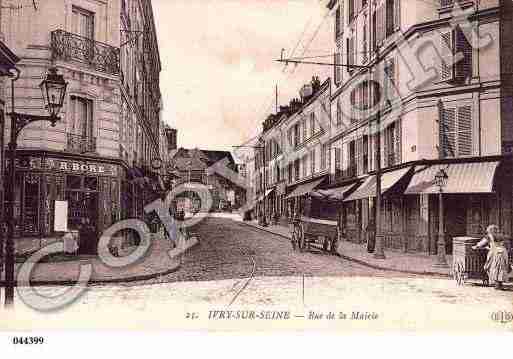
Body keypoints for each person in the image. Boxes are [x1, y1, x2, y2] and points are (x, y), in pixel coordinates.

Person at [472, 224, 511, 290]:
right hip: (503, 252)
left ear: (490, 231)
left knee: (492, 267)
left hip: (495, 253)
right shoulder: (501, 236)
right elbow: (506, 244)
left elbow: (481, 243)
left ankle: (497, 284)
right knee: (501, 268)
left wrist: (476, 246)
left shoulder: (489, 236)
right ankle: (500, 283)